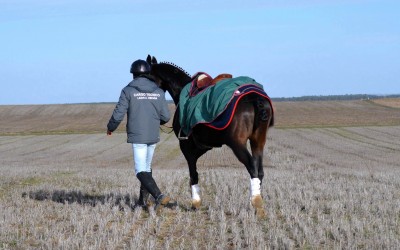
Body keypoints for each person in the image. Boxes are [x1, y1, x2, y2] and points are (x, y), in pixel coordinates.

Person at [107, 59, 171, 211]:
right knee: (146, 168)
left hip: (138, 135)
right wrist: (155, 121)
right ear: (148, 73)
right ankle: (143, 201)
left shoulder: (128, 91)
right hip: (153, 135)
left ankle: (159, 195)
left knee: (140, 170)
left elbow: (118, 115)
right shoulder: (158, 91)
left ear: (133, 74)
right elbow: (166, 117)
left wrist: (111, 127)